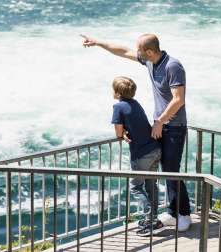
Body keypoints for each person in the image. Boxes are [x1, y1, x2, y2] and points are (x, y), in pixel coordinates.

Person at [82, 33, 191, 231]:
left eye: (141, 51)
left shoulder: (172, 66)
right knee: (165, 170)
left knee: (171, 170)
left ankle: (183, 213)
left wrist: (160, 121)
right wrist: (98, 42)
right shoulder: (150, 62)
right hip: (161, 125)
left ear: (150, 51)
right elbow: (123, 51)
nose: (137, 54)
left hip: (173, 126)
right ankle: (173, 211)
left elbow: (178, 99)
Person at [111, 76, 164, 236]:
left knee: (136, 187)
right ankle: (154, 220)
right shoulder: (136, 103)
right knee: (151, 185)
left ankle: (151, 220)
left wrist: (123, 135)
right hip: (155, 149)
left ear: (116, 92)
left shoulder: (118, 107)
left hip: (141, 153)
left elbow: (119, 132)